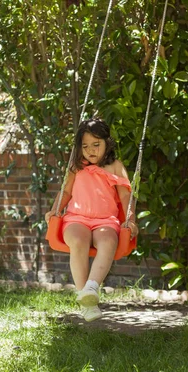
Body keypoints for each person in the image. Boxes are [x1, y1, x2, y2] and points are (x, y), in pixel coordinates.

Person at [45, 118, 138, 322]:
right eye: (85, 146)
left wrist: (131, 220)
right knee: (78, 241)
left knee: (109, 241)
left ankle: (91, 287)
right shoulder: (75, 166)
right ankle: (85, 300)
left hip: (105, 221)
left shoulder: (115, 166)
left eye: (96, 145)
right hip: (76, 218)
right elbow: (66, 191)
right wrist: (54, 210)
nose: (91, 150)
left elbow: (125, 197)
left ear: (108, 143)